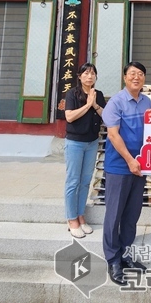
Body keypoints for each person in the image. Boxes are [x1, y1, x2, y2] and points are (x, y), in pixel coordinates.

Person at [101, 61, 151, 286]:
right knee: (114, 215)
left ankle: (124, 253)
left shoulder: (147, 101)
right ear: (125, 77)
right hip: (120, 167)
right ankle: (113, 260)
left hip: (140, 167)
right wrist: (130, 160)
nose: (136, 77)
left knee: (132, 214)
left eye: (140, 74)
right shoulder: (116, 102)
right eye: (132, 73)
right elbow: (113, 136)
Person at [64, 63, 105, 239]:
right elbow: (69, 116)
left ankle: (81, 216)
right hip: (75, 142)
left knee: (86, 181)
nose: (90, 77)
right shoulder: (72, 94)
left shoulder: (99, 94)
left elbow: (105, 116)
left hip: (92, 142)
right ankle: (71, 219)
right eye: (86, 73)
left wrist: (94, 104)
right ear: (79, 76)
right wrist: (87, 105)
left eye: (93, 74)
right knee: (73, 181)